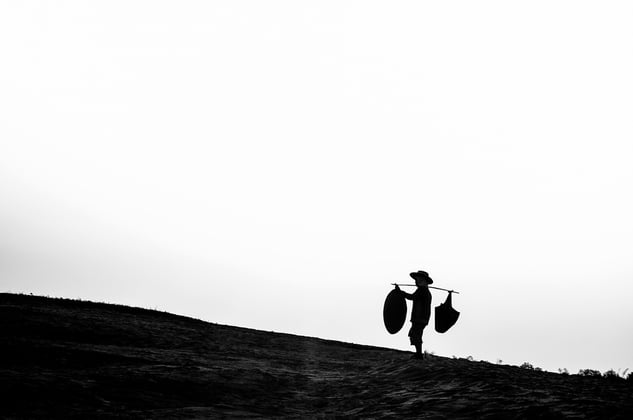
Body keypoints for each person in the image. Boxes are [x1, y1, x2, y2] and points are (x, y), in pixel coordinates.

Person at [396, 270, 433, 359]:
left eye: (419, 279)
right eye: (417, 279)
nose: (417, 281)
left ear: (424, 281)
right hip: (420, 317)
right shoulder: (423, 290)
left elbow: (412, 297)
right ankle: (418, 353)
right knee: (415, 334)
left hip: (420, 317)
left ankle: (419, 354)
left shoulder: (422, 290)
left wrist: (401, 293)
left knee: (415, 334)